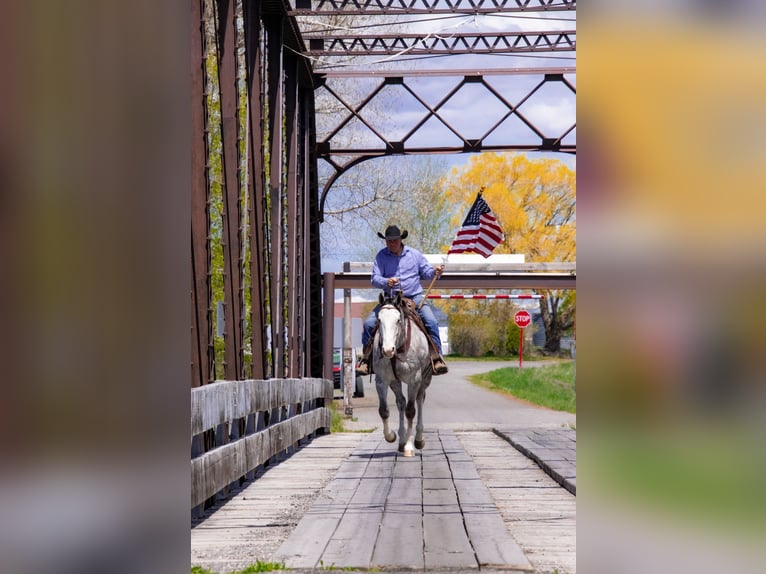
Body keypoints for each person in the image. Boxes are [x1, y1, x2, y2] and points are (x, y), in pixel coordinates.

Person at [357, 225, 449, 376]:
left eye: (394, 240)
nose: (391, 243)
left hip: (414, 298)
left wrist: (434, 272)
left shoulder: (414, 255)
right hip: (390, 300)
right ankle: (366, 360)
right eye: (388, 241)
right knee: (368, 324)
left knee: (431, 322)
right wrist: (387, 282)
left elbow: (426, 272)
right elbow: (374, 279)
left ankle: (436, 358)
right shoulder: (381, 256)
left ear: (400, 240)